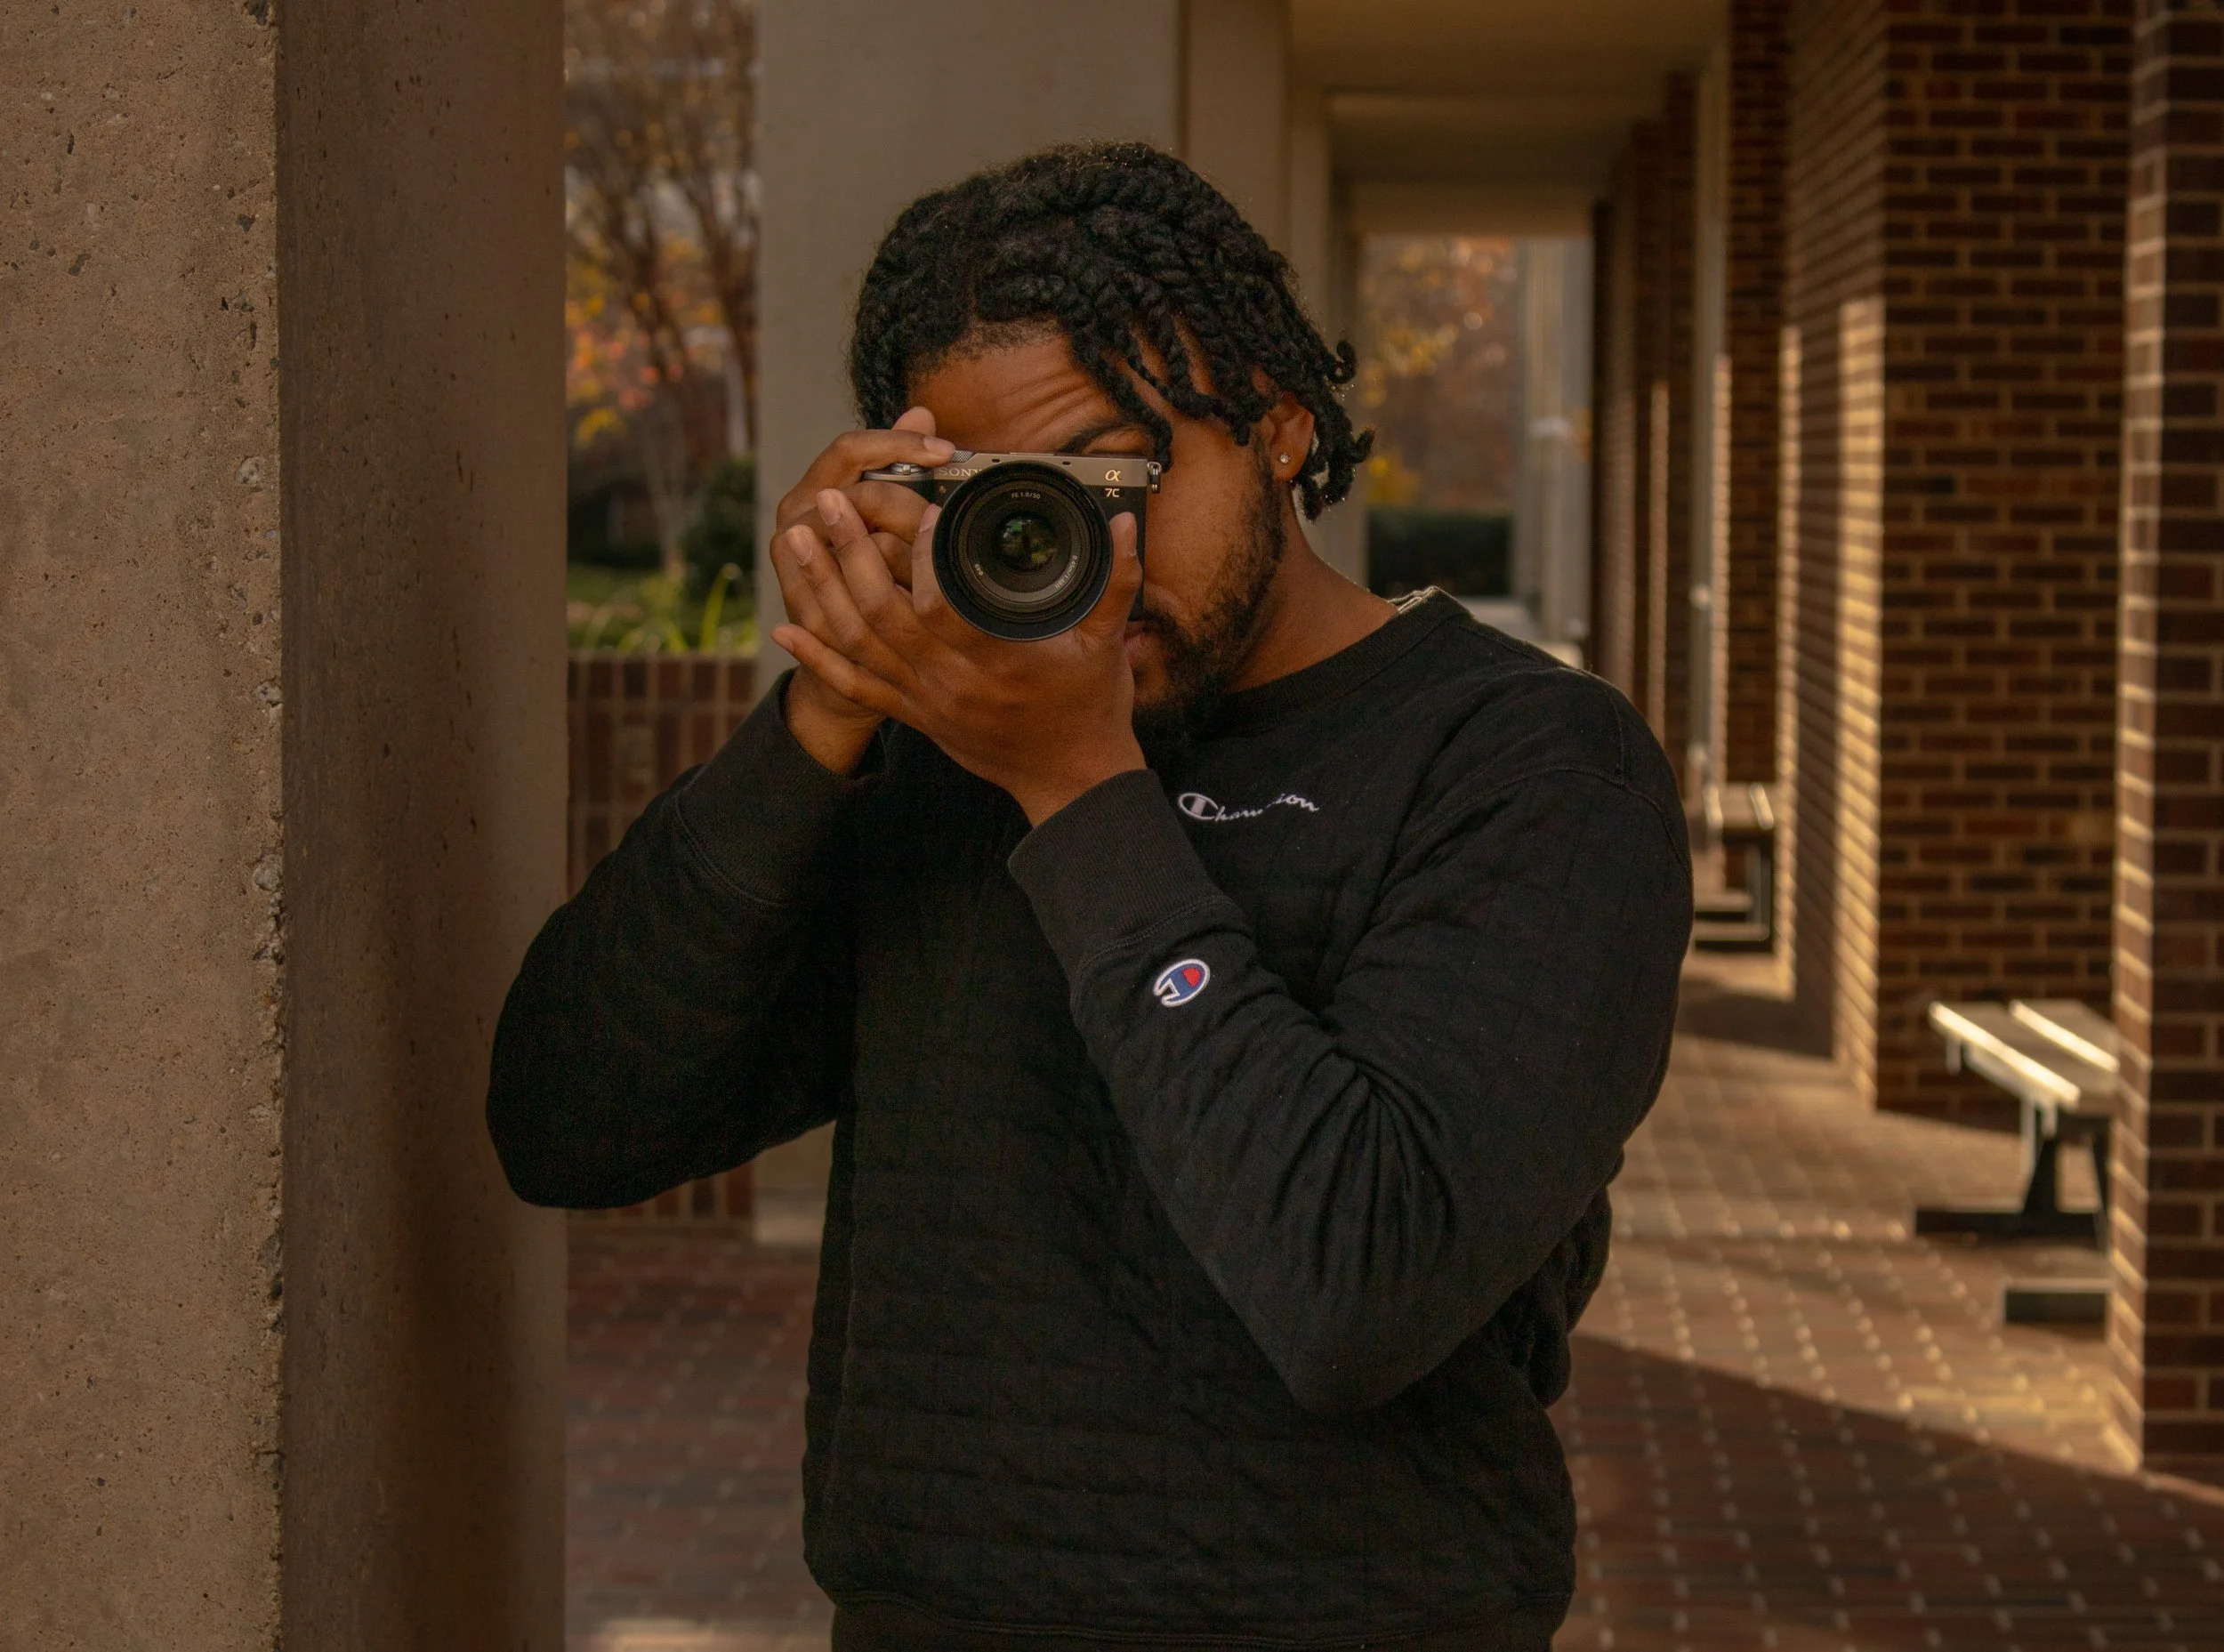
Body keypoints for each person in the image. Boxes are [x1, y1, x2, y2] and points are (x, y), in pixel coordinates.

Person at [490, 142, 1690, 1650]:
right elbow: (569, 1122)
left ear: (1278, 425)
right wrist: (822, 723)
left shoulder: (1529, 764)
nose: (1083, 551)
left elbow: (1357, 1292)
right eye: (1002, 498)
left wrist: (1076, 785)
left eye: (1118, 476)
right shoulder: (938, 754)